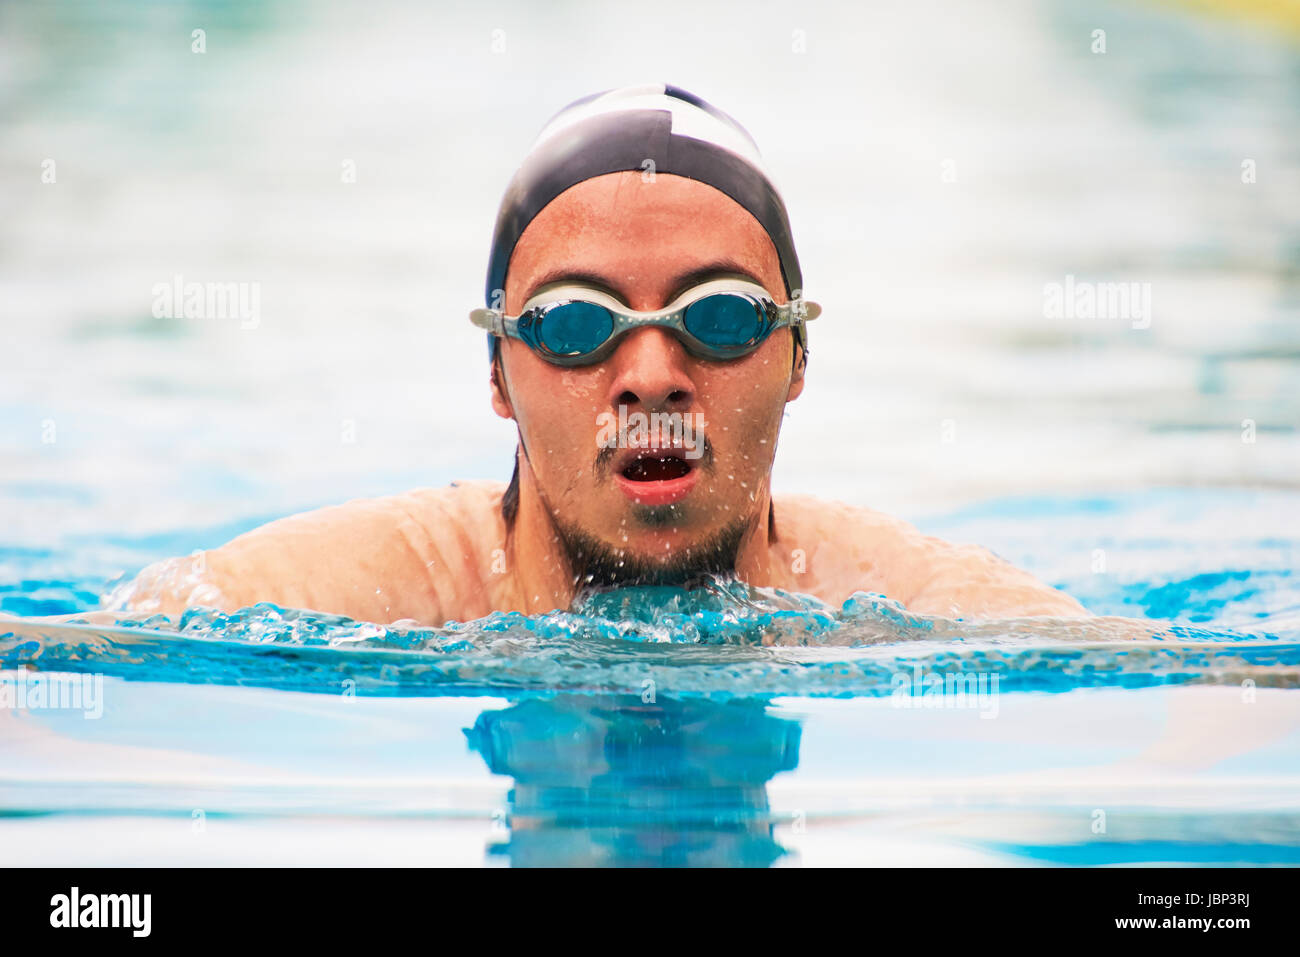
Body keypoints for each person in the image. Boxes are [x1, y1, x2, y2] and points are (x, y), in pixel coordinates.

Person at [114, 84, 1088, 625]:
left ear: (795, 359)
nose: (653, 373)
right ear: (497, 372)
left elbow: (1210, 707)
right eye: (576, 324)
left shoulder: (898, 598)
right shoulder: (353, 593)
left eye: (721, 317)